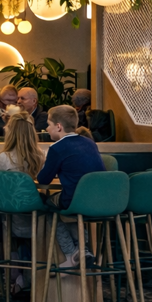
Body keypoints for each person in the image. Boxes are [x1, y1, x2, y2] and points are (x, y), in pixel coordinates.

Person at [36, 105, 106, 268]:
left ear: (58, 126)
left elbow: (43, 178)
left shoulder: (57, 148)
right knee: (72, 212)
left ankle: (70, 253)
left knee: (47, 206)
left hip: (75, 199)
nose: (47, 128)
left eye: (49, 124)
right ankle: (84, 251)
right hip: (100, 199)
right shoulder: (90, 143)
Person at [0, 112, 45, 238]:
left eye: (7, 125)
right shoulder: (42, 157)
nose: (4, 127)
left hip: (9, 215)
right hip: (39, 219)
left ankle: (6, 253)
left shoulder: (3, 157)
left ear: (12, 132)